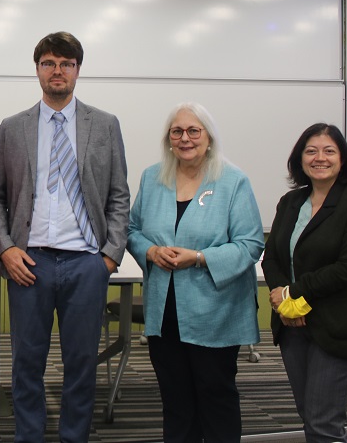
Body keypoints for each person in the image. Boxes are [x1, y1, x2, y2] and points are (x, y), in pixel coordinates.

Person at [0, 31, 130, 443]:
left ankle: (74, 437)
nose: (57, 71)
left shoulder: (104, 125)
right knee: (26, 363)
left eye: (66, 64)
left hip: (86, 263)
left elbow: (119, 194)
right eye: (49, 63)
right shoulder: (13, 128)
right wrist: (6, 248)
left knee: (81, 364)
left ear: (77, 70)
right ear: (37, 69)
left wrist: (108, 256)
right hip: (28, 262)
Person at [127, 102, 264, 443]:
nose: (185, 138)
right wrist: (150, 251)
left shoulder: (233, 181)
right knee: (175, 401)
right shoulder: (152, 178)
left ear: (209, 137)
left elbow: (250, 244)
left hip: (215, 312)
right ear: (168, 139)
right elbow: (132, 230)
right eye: (177, 131)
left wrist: (200, 258)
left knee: (215, 397)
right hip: (164, 312)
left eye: (193, 131)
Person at [262, 123, 347, 443]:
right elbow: (272, 258)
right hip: (293, 325)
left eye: (329, 151)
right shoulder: (291, 202)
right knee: (310, 416)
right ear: (300, 158)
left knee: (323, 423)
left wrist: (292, 294)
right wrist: (284, 302)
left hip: (336, 326)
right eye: (311, 151)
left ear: (342, 159)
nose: (320, 158)